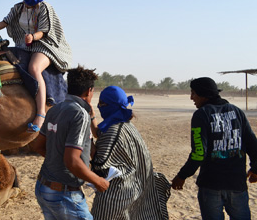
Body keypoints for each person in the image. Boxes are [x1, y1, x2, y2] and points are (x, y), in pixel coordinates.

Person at [0, 0, 72, 132]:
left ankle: (41, 113)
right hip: (25, 45)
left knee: (34, 68)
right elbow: (6, 22)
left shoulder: (44, 8)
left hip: (45, 45)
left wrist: (33, 37)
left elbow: (45, 31)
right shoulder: (18, 8)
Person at [171, 77, 257, 220]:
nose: (191, 97)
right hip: (237, 184)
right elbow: (253, 144)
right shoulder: (236, 111)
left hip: (211, 185)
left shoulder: (202, 114)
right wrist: (255, 168)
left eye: (193, 93)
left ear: (203, 95)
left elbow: (199, 153)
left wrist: (182, 176)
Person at [32, 65, 109, 220]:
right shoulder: (80, 115)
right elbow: (72, 160)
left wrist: (59, 161)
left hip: (43, 188)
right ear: (89, 91)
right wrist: (98, 181)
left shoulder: (54, 109)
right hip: (64, 194)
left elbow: (37, 145)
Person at [90, 86, 170, 219]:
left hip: (116, 198)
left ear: (108, 106)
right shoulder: (125, 125)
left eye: (101, 104)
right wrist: (92, 116)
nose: (99, 106)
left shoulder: (113, 131)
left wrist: (87, 141)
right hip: (136, 191)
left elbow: (99, 162)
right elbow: (100, 133)